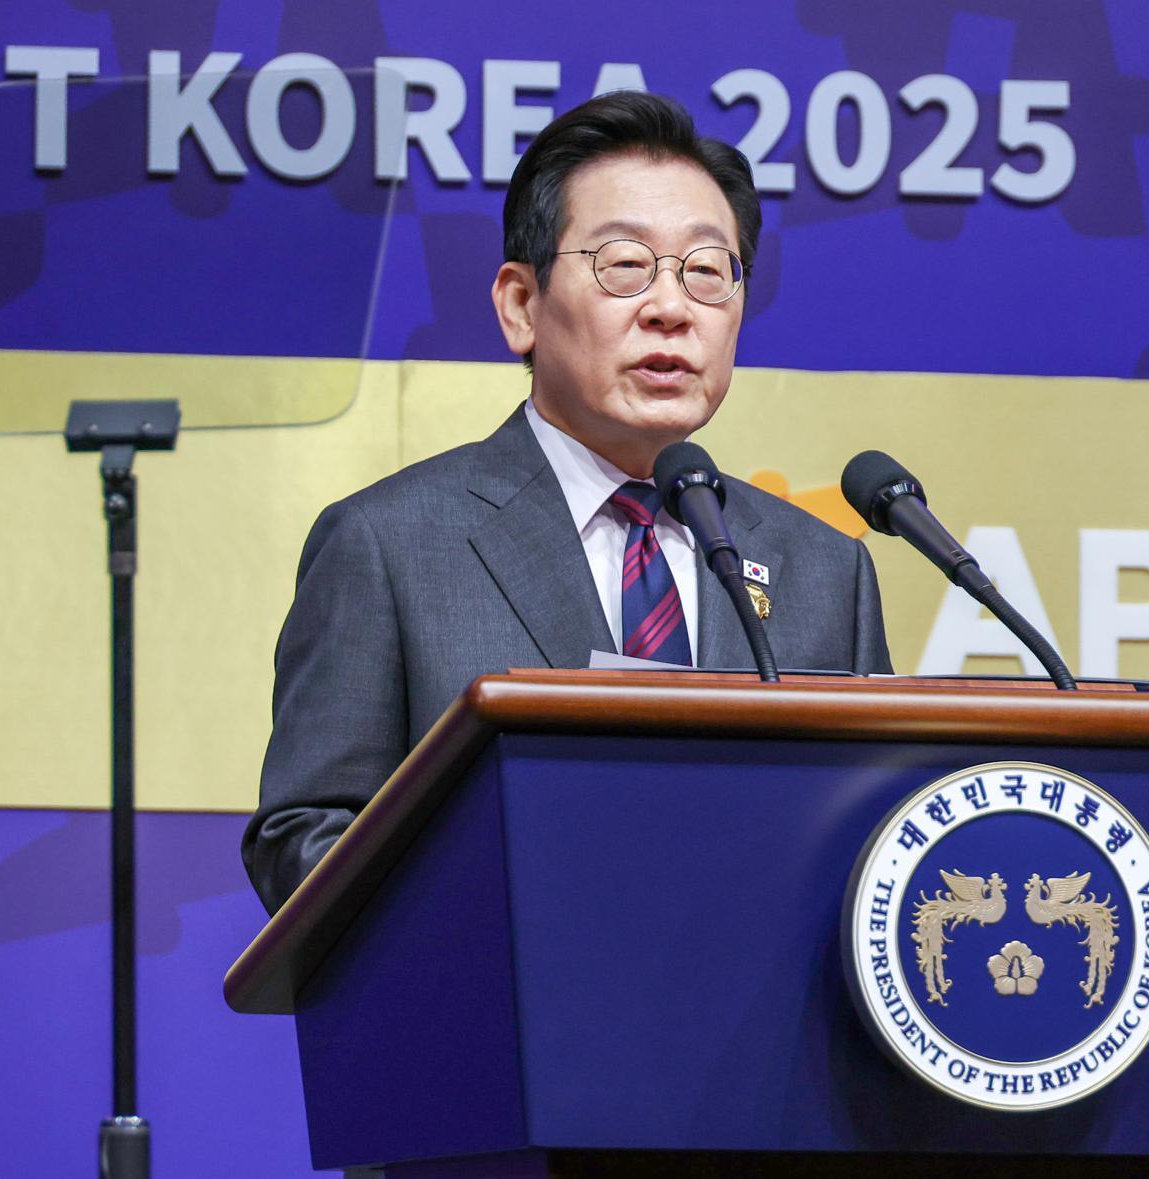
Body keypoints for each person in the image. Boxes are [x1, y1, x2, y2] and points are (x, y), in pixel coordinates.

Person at [242, 92, 892, 915]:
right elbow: (303, 838)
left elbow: (876, 842)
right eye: (624, 263)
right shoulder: (391, 546)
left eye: (706, 270)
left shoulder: (824, 569)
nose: (670, 308)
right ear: (522, 305)